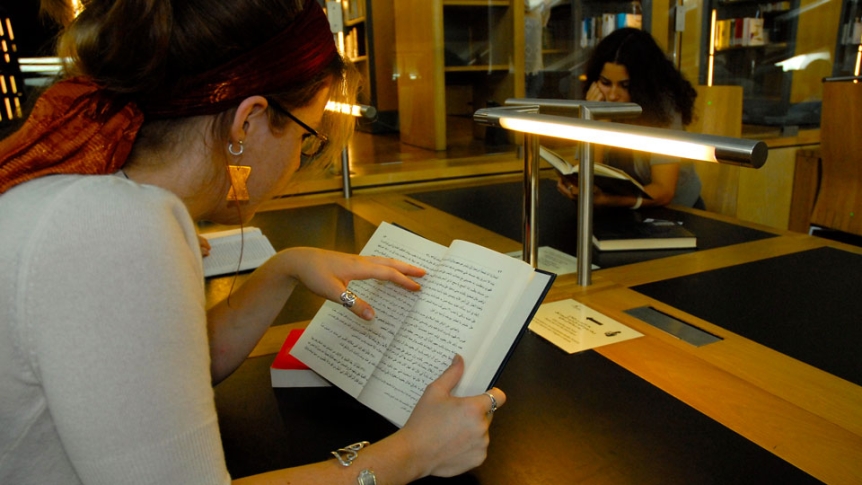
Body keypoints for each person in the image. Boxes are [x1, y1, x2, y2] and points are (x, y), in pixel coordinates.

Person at [0, 1, 505, 484]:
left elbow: (160, 378)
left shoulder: (88, 197)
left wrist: (284, 269)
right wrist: (413, 453)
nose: (296, 160)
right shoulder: (117, 229)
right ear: (248, 122)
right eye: (306, 136)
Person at [556, 27, 705, 210]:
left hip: (677, 212)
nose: (612, 95)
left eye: (624, 85)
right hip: (626, 210)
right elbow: (585, 175)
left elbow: (663, 191)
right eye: (605, 83)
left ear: (643, 85)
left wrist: (607, 200)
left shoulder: (663, 109)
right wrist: (598, 121)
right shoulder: (598, 104)